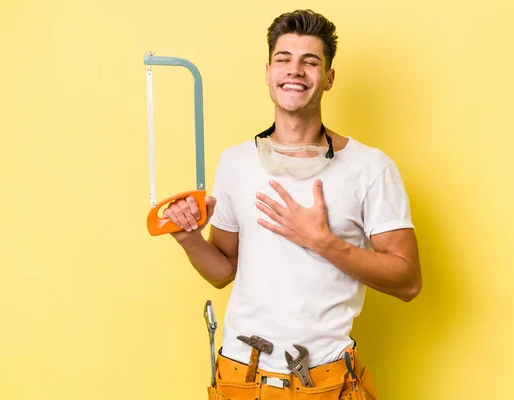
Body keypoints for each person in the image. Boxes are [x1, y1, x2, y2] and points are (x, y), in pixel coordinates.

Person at [164, 9, 422, 400]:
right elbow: (223, 271)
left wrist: (322, 241)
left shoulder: (370, 168)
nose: (295, 71)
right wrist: (188, 239)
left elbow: (408, 282)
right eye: (284, 59)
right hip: (239, 377)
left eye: (310, 61)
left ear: (329, 78)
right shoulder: (235, 162)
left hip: (324, 381)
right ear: (268, 72)